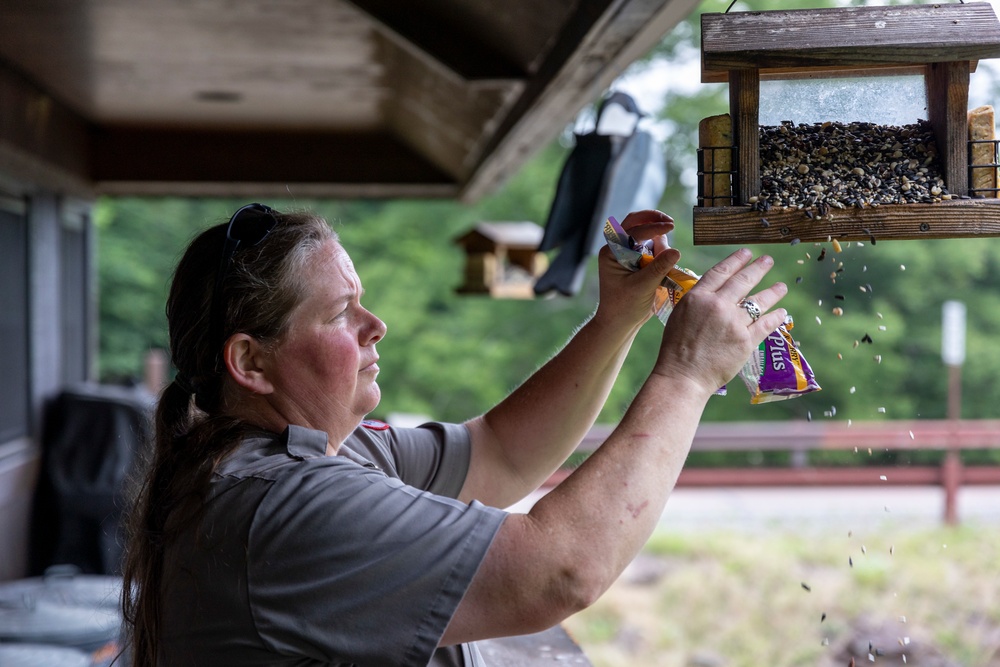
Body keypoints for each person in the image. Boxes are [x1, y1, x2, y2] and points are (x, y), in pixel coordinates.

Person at [121, 203, 787, 667]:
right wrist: (686, 375)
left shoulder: (323, 451)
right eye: (340, 312)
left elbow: (502, 451)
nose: (375, 323)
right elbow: (560, 572)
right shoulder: (281, 506)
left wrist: (617, 320)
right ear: (251, 362)